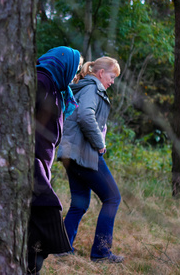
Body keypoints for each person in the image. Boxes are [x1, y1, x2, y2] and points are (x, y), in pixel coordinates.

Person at [57, 56, 123, 263]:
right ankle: (102, 253)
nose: (112, 82)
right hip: (83, 153)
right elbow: (86, 115)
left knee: (80, 202)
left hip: (72, 153)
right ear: (101, 73)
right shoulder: (92, 88)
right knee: (112, 198)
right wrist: (99, 144)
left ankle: (62, 246)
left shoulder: (84, 86)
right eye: (112, 76)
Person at [27, 46, 81, 273]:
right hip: (31, 162)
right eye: (75, 69)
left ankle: (30, 266)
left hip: (42, 163)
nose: (77, 75)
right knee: (48, 210)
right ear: (64, 64)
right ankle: (33, 264)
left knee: (33, 220)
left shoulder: (58, 89)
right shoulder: (41, 80)